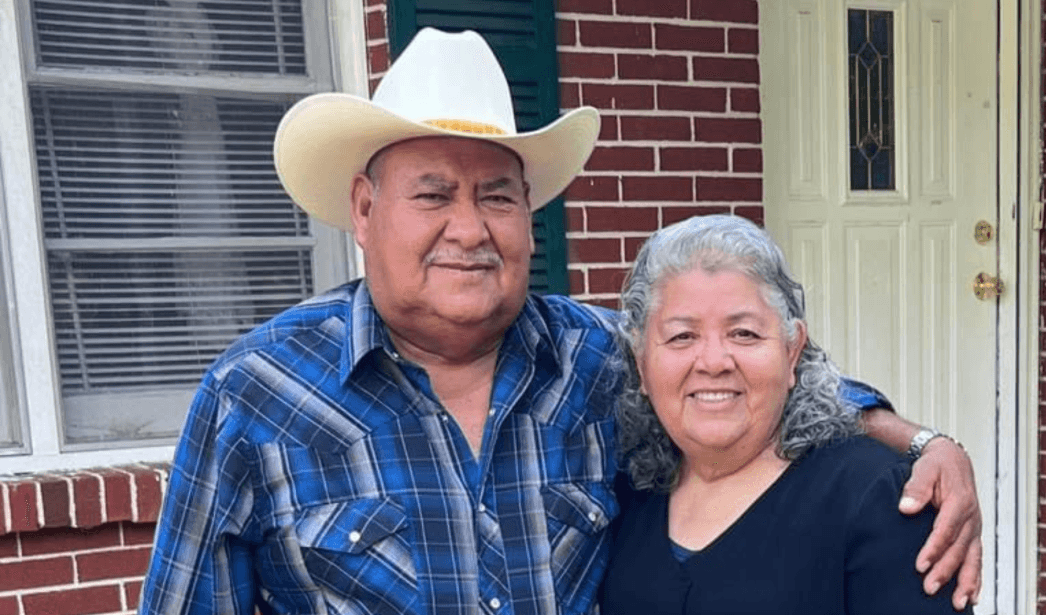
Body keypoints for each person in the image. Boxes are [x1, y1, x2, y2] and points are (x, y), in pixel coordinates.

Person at [139, 28, 980, 614]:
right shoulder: (257, 393)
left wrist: (920, 442)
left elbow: (737, 374)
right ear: (364, 208)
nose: (468, 229)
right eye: (432, 193)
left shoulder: (594, 355)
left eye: (497, 195)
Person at [600, 214, 971, 613]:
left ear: (792, 351)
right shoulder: (630, 488)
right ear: (641, 364)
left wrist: (934, 444)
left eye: (744, 333)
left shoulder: (880, 499)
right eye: (681, 336)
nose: (713, 361)